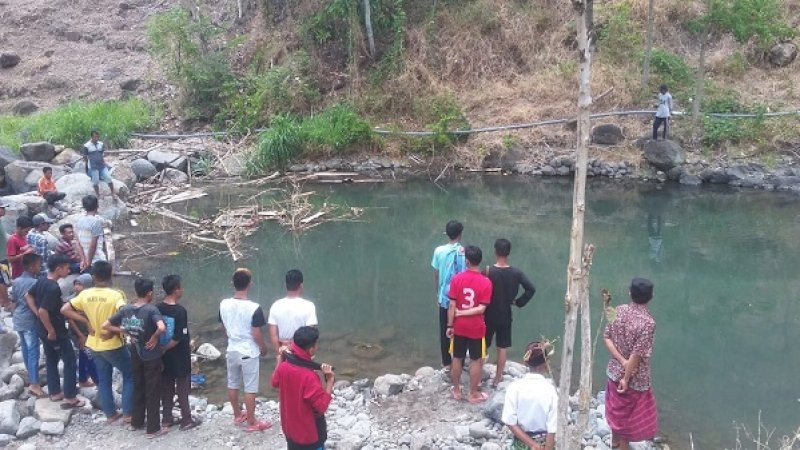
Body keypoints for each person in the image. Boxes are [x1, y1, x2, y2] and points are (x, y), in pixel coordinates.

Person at [61, 260, 133, 424]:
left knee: (104, 380)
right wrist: (118, 329)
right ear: (110, 275)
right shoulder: (116, 295)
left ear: (93, 277)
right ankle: (128, 413)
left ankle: (111, 415)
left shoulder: (85, 294)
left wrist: (86, 321)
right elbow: (125, 312)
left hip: (94, 343)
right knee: (130, 375)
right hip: (112, 343)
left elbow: (64, 310)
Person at [104, 278, 167, 438]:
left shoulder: (126, 310)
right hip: (151, 356)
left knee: (138, 386)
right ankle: (153, 429)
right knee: (152, 391)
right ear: (149, 293)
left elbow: (106, 325)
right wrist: (154, 337)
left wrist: (125, 332)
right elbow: (161, 327)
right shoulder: (151, 310)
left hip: (135, 353)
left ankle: (136, 422)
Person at [603, 278, 659, 450]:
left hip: (614, 372)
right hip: (634, 379)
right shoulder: (648, 323)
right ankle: (621, 446)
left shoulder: (618, 310)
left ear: (630, 293)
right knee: (627, 422)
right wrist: (626, 377)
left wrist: (621, 361)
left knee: (616, 414)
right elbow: (637, 355)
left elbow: (607, 337)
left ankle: (613, 444)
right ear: (651, 296)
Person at [27, 255, 84, 408]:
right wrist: (51, 329)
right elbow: (44, 310)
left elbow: (28, 296)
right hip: (56, 330)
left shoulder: (41, 280)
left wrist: (37, 314)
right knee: (70, 361)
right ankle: (70, 397)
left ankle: (55, 393)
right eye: (66, 267)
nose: (68, 270)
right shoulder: (53, 287)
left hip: (41, 329)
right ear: (58, 269)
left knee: (51, 360)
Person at [218, 268, 271, 432]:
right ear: (250, 284)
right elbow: (256, 333)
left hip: (232, 348)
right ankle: (252, 421)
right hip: (248, 351)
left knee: (233, 382)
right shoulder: (254, 307)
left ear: (232, 284)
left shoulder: (223, 304)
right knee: (250, 387)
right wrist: (263, 347)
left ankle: (237, 415)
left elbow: (224, 327)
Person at [484, 238, 536, 388]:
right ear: (509, 253)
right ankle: (498, 378)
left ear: (495, 251)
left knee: (483, 346)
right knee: (502, 347)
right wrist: (518, 302)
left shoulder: (488, 271)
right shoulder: (516, 273)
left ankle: (479, 373)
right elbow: (531, 289)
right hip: (506, 313)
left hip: (488, 314)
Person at [272, 326, 334, 450]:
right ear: (311, 350)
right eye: (317, 344)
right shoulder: (309, 376)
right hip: (308, 433)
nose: (318, 346)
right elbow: (321, 407)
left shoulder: (285, 366)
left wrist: (279, 360)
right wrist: (330, 380)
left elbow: (274, 382)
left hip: (290, 426)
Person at [447, 245, 492, 404]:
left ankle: (457, 389)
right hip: (476, 328)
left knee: (457, 357)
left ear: (466, 261)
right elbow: (481, 308)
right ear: (479, 261)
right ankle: (473, 394)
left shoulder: (457, 279)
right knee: (475, 359)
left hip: (459, 326)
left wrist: (450, 325)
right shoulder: (486, 282)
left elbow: (452, 305)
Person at [157, 274, 199, 431]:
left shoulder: (157, 308)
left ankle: (167, 418)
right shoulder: (180, 311)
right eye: (180, 287)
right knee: (182, 388)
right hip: (179, 356)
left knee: (166, 387)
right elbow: (179, 336)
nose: (182, 290)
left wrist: (161, 349)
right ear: (176, 290)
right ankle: (186, 419)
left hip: (164, 357)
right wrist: (166, 347)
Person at [502, 341, 558, 450]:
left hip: (521, 443)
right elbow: (552, 427)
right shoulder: (550, 390)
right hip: (545, 443)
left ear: (525, 363)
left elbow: (510, 421)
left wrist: (532, 444)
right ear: (546, 364)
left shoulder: (514, 388)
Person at [431, 220, 466, 370]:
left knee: (444, 329)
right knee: (460, 329)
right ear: (460, 234)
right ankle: (460, 360)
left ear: (447, 234)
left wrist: (437, 293)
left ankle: (447, 362)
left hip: (445, 297)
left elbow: (437, 274)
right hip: (459, 298)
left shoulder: (438, 251)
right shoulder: (464, 252)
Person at [11, 253, 44, 397]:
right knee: (33, 352)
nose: (40, 267)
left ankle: (31, 378)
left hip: (18, 318)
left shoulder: (16, 281)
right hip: (30, 320)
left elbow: (14, 300)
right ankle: (34, 384)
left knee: (26, 349)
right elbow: (36, 303)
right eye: (38, 265)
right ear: (31, 267)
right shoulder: (34, 283)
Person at [268, 269, 318, 354]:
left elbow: (273, 334)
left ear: (285, 285)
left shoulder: (276, 305)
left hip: (283, 349)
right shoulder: (309, 306)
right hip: (301, 350)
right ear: (301, 285)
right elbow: (310, 333)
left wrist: (279, 352)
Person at [70, 274, 98, 387]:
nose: (77, 287)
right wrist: (80, 335)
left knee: (83, 355)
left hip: (88, 333)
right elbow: (70, 320)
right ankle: (97, 380)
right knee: (90, 355)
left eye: (80, 284)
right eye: (76, 284)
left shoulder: (89, 300)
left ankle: (83, 379)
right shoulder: (72, 301)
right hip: (78, 333)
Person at [75, 195, 107, 271]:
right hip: (97, 259)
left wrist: (83, 260)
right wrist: (89, 262)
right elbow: (93, 245)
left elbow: (77, 243)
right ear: (97, 206)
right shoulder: (96, 222)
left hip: (85, 259)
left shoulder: (79, 221)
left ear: (84, 207)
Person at [82, 130, 116, 200]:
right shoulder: (87, 146)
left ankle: (113, 193)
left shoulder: (100, 144)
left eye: (97, 137)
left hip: (102, 166)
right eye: (94, 137)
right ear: (91, 137)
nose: (96, 138)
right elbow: (84, 156)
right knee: (96, 182)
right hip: (93, 167)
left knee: (109, 178)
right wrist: (88, 164)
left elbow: (103, 152)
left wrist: (103, 155)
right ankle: (98, 194)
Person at [0, 199, 12, 309]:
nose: (4, 210)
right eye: (2, 208)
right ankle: (6, 302)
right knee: (3, 280)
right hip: (0, 258)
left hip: (3, 255)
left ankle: (2, 300)